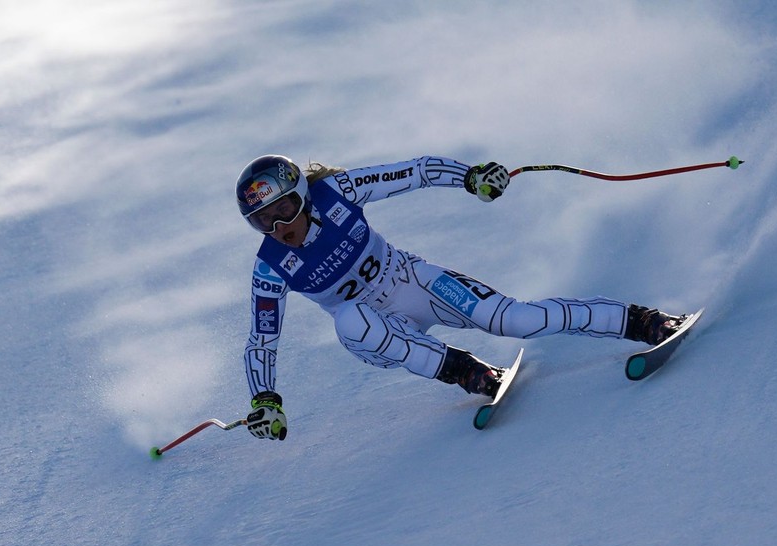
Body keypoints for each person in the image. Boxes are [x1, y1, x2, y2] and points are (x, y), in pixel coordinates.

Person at [236, 154, 686, 441]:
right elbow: (261, 341)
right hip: (376, 332)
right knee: (350, 319)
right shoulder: (271, 267)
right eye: (263, 222)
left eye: (284, 211)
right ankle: (470, 373)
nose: (280, 229)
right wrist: (265, 401)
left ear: (303, 196)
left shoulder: (338, 192)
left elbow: (414, 172)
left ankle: (643, 322)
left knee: (517, 321)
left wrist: (470, 177)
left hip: (413, 280)